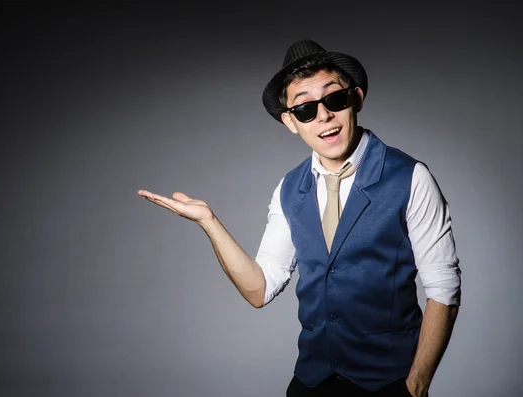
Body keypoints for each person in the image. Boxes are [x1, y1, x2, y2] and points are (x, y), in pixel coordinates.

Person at [137, 39, 461, 397]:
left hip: (388, 382)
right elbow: (259, 289)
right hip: (313, 380)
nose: (323, 116)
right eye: (305, 108)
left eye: (334, 99)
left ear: (356, 99)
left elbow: (444, 288)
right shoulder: (289, 188)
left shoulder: (410, 177)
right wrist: (209, 222)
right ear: (290, 122)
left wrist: (416, 385)